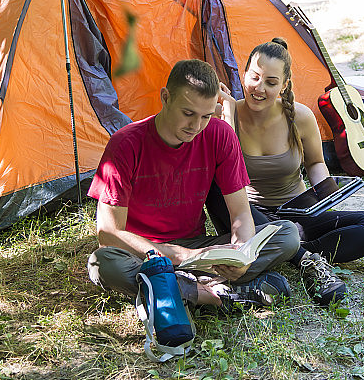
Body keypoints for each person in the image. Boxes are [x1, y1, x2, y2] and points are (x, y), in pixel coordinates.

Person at [87, 59, 300, 310]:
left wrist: (240, 254)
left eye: (206, 116)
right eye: (188, 113)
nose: (195, 127)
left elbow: (241, 211)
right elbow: (109, 234)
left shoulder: (220, 134)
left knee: (287, 234)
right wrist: (179, 256)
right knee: (102, 263)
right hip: (145, 252)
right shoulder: (126, 144)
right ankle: (216, 295)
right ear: (166, 98)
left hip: (197, 249)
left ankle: (178, 288)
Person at [212, 38, 364, 307]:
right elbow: (227, 172)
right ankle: (305, 259)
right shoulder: (228, 114)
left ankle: (292, 249)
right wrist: (227, 113)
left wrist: (326, 192)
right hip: (251, 217)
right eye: (254, 77)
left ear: (284, 85)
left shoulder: (299, 116)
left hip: (298, 213)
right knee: (216, 187)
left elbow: (316, 163)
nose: (259, 88)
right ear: (243, 74)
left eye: (271, 82)